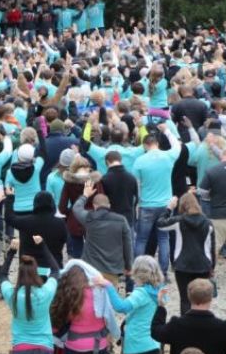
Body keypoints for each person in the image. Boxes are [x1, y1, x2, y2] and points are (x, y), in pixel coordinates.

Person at [151, 278, 226, 354]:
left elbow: (156, 331)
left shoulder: (176, 325)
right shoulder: (222, 327)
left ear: (189, 297)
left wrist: (161, 307)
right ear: (210, 298)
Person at [0, 236, 60, 354]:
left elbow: (2, 276)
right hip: (44, 346)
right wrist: (43, 246)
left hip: (20, 346)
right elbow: (55, 271)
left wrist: (11, 253)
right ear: (36, 273)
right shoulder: (45, 292)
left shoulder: (12, 295)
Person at [155, 192, 215, 314]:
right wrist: (212, 266)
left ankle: (186, 326)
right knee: (202, 298)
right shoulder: (208, 223)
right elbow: (211, 247)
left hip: (183, 265)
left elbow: (160, 224)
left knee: (185, 299)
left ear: (182, 206)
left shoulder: (179, 221)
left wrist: (169, 208)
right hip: (203, 265)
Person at [133, 126, 181, 272]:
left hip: (146, 205)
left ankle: (138, 270)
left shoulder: (139, 161)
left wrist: (137, 203)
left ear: (145, 145)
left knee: (141, 239)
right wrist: (167, 131)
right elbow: (177, 145)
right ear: (157, 144)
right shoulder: (168, 156)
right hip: (166, 205)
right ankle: (164, 272)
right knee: (163, 238)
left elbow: (136, 184)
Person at [72, 181, 133, 284]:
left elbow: (76, 208)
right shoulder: (121, 220)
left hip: (91, 268)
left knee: (91, 298)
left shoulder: (89, 218)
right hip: (112, 269)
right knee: (110, 297)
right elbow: (127, 245)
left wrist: (85, 195)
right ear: (109, 205)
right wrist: (128, 266)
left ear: (94, 206)